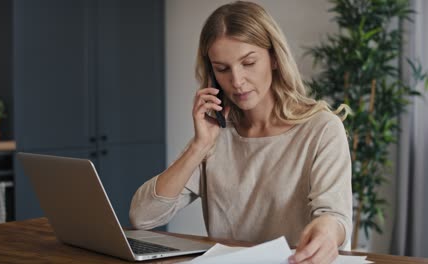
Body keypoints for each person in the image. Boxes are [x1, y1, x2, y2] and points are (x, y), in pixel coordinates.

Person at [130, 1, 352, 263]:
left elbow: (334, 216)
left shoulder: (321, 129)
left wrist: (326, 232)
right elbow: (143, 217)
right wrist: (199, 147)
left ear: (274, 58)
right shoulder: (214, 136)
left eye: (248, 63)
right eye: (222, 69)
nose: (236, 81)